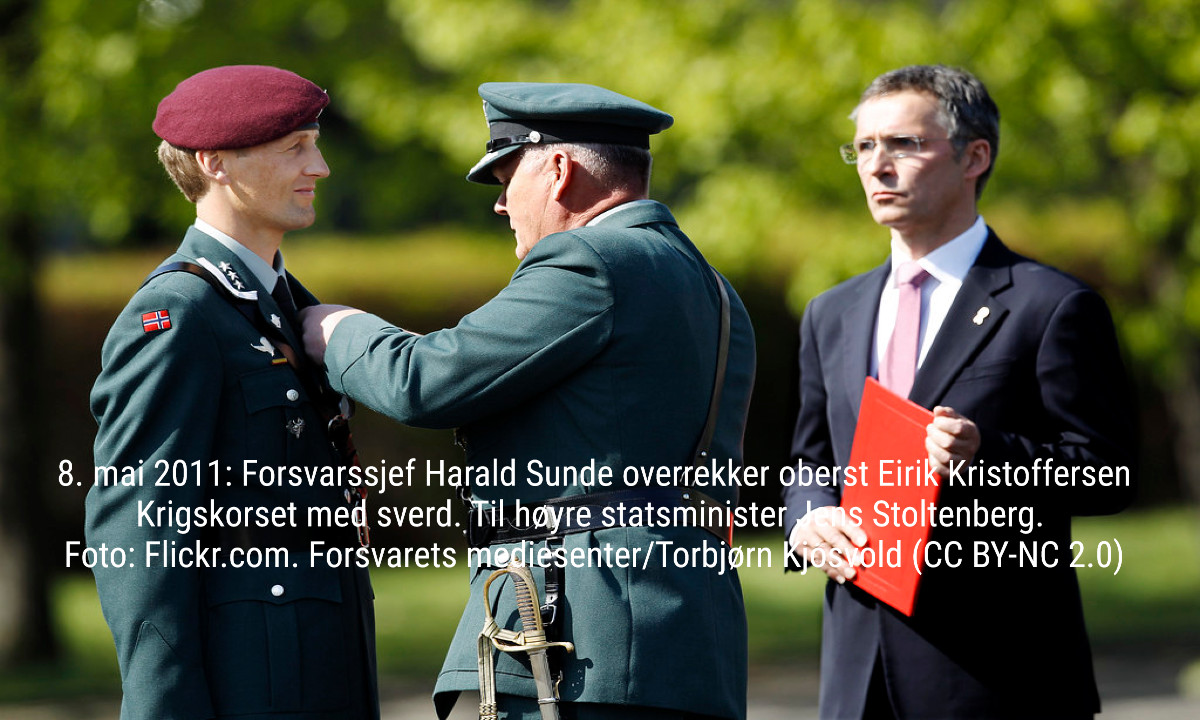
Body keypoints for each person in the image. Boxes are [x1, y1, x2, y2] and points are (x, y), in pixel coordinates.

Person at [302, 82, 756, 720]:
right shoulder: (714, 286)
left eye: (506, 178)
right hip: (687, 632)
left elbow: (424, 382)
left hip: (586, 637)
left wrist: (340, 331)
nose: (500, 204)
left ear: (559, 170)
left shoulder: (591, 259)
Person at [783, 65, 1136, 719]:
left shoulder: (1052, 305)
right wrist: (808, 518)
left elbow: (1109, 475)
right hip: (856, 678)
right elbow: (811, 461)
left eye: (904, 144)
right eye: (864, 147)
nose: (877, 166)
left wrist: (989, 454)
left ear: (975, 157)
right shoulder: (831, 312)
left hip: (997, 676)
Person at [86, 65, 378, 720]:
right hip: (247, 687)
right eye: (295, 148)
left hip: (318, 672)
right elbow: (140, 530)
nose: (320, 167)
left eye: (315, 144)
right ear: (215, 163)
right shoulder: (179, 313)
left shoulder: (283, 305)